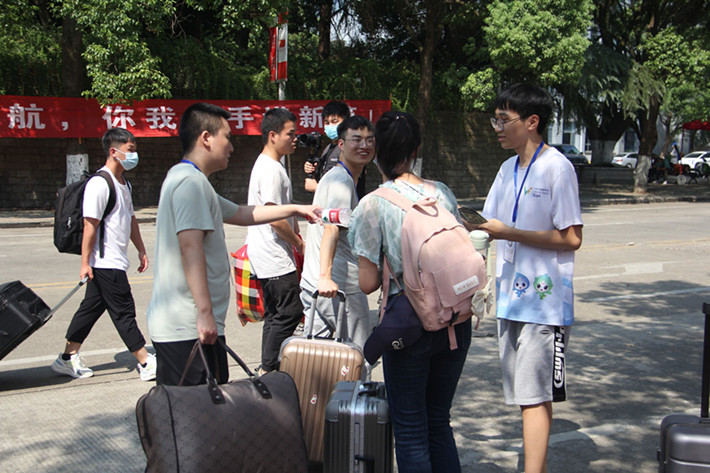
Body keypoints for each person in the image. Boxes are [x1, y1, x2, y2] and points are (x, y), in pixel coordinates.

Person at [147, 103, 318, 386]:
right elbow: (190, 248)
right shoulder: (190, 183)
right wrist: (205, 314)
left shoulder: (192, 180)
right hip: (188, 328)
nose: (231, 147)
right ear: (206, 138)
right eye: (227, 137)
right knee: (198, 408)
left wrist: (297, 209)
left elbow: (242, 213)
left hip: (191, 326)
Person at [348, 111, 471, 473]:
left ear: (377, 150)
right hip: (456, 320)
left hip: (409, 328)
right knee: (439, 421)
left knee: (412, 430)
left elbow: (368, 283)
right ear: (416, 150)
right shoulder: (441, 192)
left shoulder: (372, 204)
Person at [478, 83, 583, 473]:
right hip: (509, 297)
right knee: (525, 395)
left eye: (503, 120)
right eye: (496, 120)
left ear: (532, 121)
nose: (497, 128)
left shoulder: (557, 167)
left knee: (535, 396)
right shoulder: (506, 169)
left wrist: (510, 233)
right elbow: (487, 225)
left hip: (544, 304)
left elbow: (572, 238)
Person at [51, 128, 155, 381]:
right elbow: (90, 225)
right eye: (130, 150)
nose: (134, 155)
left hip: (115, 259)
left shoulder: (124, 184)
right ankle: (145, 361)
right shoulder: (100, 183)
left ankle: (67, 358)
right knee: (123, 310)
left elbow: (130, 219)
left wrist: (140, 248)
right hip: (105, 261)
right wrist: (85, 263)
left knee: (90, 310)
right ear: (114, 152)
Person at [299, 115, 375, 351]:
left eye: (369, 140)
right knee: (357, 355)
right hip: (338, 286)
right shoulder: (342, 181)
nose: (364, 146)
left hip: (314, 282)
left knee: (316, 357)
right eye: (356, 140)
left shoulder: (334, 176)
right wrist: (326, 276)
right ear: (341, 144)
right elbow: (332, 227)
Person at [247, 108, 308, 375]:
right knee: (290, 312)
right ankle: (269, 368)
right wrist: (299, 243)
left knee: (275, 313)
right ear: (273, 135)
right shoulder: (271, 169)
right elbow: (274, 217)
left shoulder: (271, 165)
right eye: (290, 134)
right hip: (273, 254)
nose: (295, 139)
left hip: (267, 252)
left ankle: (268, 367)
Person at [304, 101, 367, 198]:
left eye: (334, 122)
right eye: (326, 123)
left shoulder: (350, 148)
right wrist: (316, 169)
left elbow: (347, 185)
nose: (330, 126)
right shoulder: (329, 148)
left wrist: (317, 187)